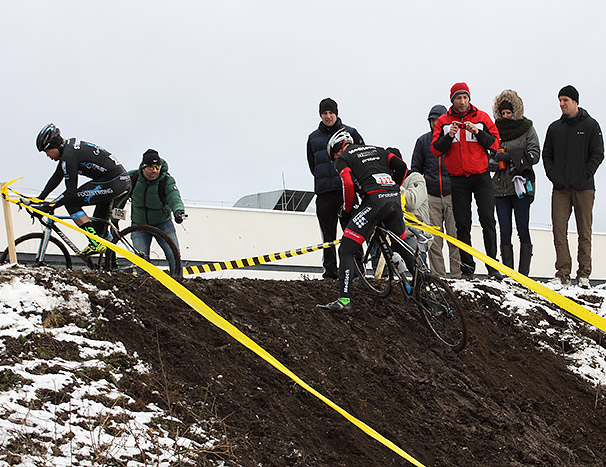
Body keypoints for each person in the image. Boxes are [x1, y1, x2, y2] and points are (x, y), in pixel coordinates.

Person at [316, 129, 416, 312]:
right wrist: (394, 186)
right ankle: (424, 287)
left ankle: (344, 301)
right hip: (393, 198)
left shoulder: (343, 158)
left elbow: (347, 183)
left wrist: (347, 210)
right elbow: (402, 166)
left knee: (346, 248)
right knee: (400, 244)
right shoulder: (379, 150)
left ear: (336, 150)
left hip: (374, 202)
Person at [431, 82, 501, 280]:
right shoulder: (443, 122)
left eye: (465, 97)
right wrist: (449, 136)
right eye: (458, 98)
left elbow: (496, 143)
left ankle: (492, 265)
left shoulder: (482, 117)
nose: (462, 102)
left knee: (488, 219)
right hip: (458, 179)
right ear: (452, 100)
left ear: (469, 98)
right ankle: (467, 268)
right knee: (462, 224)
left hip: (481, 176)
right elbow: (435, 149)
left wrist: (478, 132)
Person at [35, 123, 131, 257]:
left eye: (47, 152)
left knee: (71, 202)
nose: (48, 156)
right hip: (117, 181)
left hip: (113, 182)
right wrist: (39, 200)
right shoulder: (68, 151)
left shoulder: (69, 156)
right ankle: (112, 265)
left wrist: (50, 206)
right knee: (99, 229)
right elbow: (56, 178)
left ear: (54, 146)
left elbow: (71, 192)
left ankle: (94, 242)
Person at [542, 85, 604, 289]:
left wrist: (585, 174)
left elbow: (598, 153)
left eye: (565, 100)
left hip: (584, 188)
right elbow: (547, 155)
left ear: (575, 102)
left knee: (584, 231)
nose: (561, 104)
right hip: (560, 189)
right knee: (559, 230)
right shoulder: (554, 128)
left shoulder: (591, 126)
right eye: (559, 100)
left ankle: (584, 274)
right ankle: (562, 273)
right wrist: (554, 177)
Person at [307, 98, 364, 279]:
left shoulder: (351, 133)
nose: (328, 116)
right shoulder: (313, 138)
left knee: (352, 231)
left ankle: (357, 270)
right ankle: (330, 271)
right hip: (324, 193)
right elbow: (312, 165)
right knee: (328, 235)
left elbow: (361, 158)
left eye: (331, 112)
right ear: (320, 115)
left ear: (336, 113)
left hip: (347, 191)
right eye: (325, 113)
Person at [491, 90, 541, 276]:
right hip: (500, 188)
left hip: (521, 187)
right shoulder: (494, 131)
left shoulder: (527, 128)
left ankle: (523, 274)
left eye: (509, 113)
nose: (506, 116)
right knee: (504, 230)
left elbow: (534, 154)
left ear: (515, 112)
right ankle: (508, 272)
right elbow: (486, 158)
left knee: (522, 228)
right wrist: (497, 160)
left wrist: (511, 158)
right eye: (502, 113)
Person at [411, 104, 462, 279]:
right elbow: (415, 170)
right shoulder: (422, 141)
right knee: (434, 240)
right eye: (432, 120)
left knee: (455, 237)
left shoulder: (455, 139)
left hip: (452, 194)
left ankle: (456, 275)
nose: (434, 123)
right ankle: (438, 276)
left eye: (437, 120)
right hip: (431, 196)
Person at [123, 149, 186, 277]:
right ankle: (144, 285)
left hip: (162, 223)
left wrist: (179, 211)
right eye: (151, 167)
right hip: (139, 224)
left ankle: (179, 283)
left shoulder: (166, 180)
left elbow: (174, 197)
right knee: (141, 259)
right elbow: (121, 198)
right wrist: (114, 220)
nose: (155, 171)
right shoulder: (132, 178)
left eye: (157, 167)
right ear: (143, 167)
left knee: (173, 255)